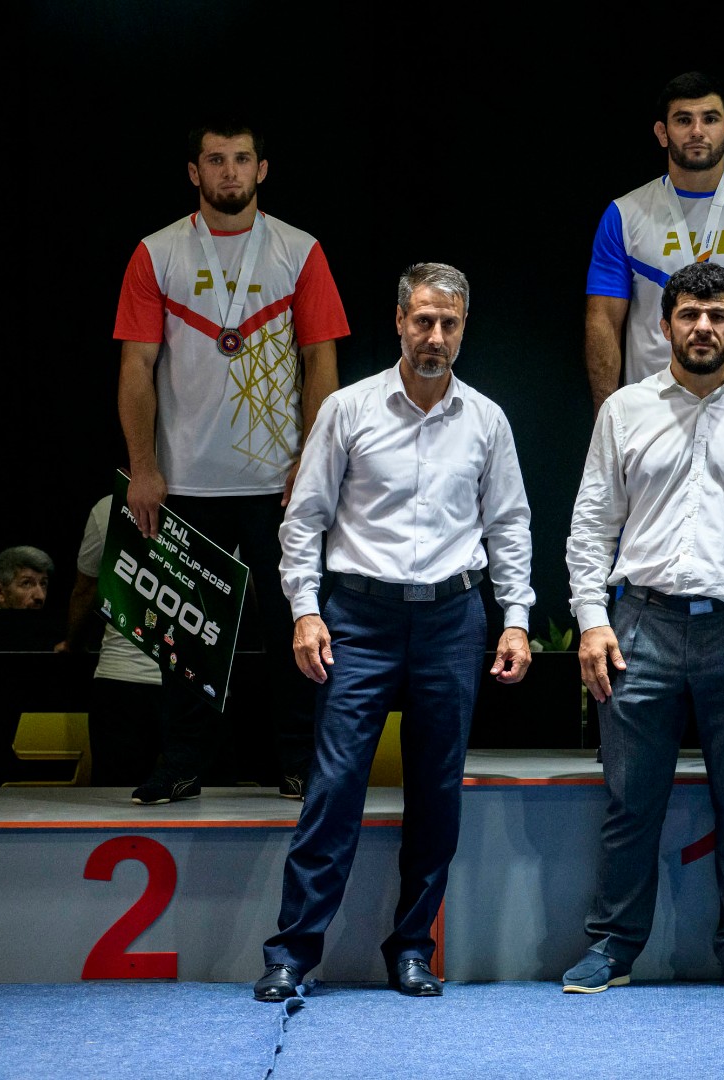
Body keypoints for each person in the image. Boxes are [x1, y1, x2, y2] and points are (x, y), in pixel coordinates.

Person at [253, 262, 534, 1002]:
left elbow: (509, 527)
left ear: (463, 330)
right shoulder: (348, 409)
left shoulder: (487, 420)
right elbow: (304, 520)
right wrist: (305, 610)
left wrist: (516, 619)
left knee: (437, 792)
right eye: (423, 320)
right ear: (400, 322)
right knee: (335, 786)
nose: (434, 336)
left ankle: (412, 948)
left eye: (449, 323)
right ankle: (292, 953)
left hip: (452, 618)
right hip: (359, 617)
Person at [563, 261, 724, 995]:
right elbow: (591, 526)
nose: (703, 327)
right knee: (629, 803)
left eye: (717, 316)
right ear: (664, 325)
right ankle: (613, 947)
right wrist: (591, 619)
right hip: (639, 628)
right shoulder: (624, 410)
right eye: (689, 314)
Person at [115, 116, 349, 805]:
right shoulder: (156, 253)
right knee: (187, 637)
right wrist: (143, 468)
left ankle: (299, 761)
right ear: (195, 172)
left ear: (262, 170)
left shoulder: (299, 251)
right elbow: (136, 366)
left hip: (278, 483)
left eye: (241, 159)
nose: (229, 173)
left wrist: (312, 460)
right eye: (215, 160)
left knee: (292, 629)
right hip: (185, 480)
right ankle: (183, 763)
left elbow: (321, 362)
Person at [585, 70, 724, 415]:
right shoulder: (624, 215)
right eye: (683, 120)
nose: (696, 131)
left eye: (710, 119)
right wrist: (607, 421)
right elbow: (603, 321)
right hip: (650, 411)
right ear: (662, 133)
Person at [55, 496, 164, 787]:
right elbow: (245, 590)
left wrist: (72, 643)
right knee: (207, 800)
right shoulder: (220, 507)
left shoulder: (108, 507)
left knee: (117, 799)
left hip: (124, 680)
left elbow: (85, 589)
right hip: (198, 686)